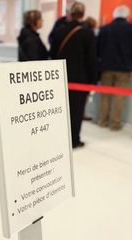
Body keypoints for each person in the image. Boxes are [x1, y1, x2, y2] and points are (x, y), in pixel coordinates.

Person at [50, 2, 96, 149]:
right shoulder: (87, 33)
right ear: (82, 14)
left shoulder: (58, 31)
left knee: (59, 110)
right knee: (76, 112)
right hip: (80, 79)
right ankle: (74, 140)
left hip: (59, 77)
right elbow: (91, 59)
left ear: (69, 13)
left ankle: (58, 139)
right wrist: (92, 81)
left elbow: (52, 54)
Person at [97, 5, 132, 131]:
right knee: (119, 96)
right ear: (127, 16)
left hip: (106, 66)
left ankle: (102, 121)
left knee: (105, 96)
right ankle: (115, 124)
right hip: (124, 67)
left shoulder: (105, 28)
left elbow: (97, 47)